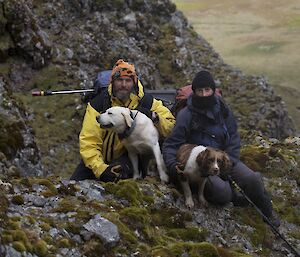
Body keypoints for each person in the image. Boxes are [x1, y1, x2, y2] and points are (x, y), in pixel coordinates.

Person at [162, 70, 280, 228]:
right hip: (202, 164)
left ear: (213, 90)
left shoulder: (223, 110)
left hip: (225, 159)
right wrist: (172, 165)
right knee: (222, 193)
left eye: (207, 90)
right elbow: (172, 143)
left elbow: (233, 137)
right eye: (199, 90)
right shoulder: (186, 114)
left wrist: (229, 161)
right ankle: (234, 197)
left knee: (252, 179)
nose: (204, 94)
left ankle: (266, 209)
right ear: (194, 92)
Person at [70, 59, 175, 182]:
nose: (124, 84)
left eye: (128, 80)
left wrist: (155, 117)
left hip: (128, 157)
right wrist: (101, 169)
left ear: (134, 83)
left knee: (117, 177)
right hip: (96, 160)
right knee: (72, 186)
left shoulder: (147, 102)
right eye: (119, 80)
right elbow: (89, 140)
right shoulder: (98, 105)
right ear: (112, 82)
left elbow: (170, 127)